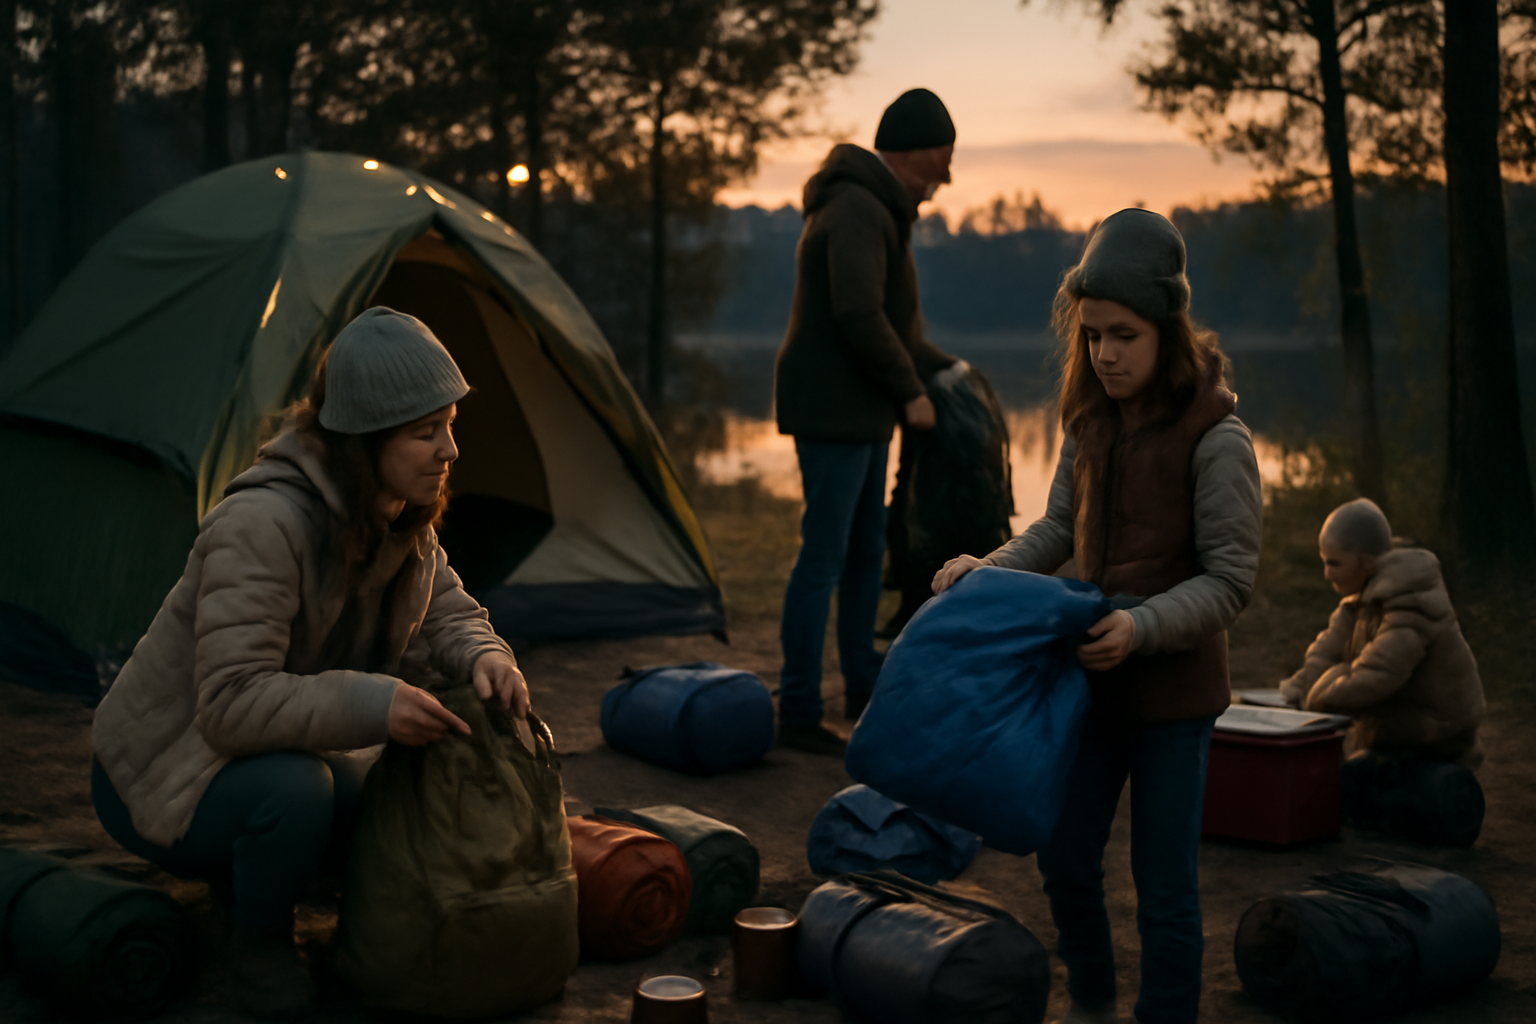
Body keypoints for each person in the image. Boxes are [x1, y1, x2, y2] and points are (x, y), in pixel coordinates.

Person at [89, 307, 530, 1016]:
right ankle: (256, 948)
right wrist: (376, 702)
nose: (449, 450)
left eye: (449, 424)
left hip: (253, 756)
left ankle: (255, 877)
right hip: (160, 772)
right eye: (425, 432)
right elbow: (230, 703)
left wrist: (488, 657)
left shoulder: (394, 514)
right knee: (299, 794)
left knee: (385, 797)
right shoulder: (263, 524)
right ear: (364, 440)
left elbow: (450, 612)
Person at [932, 209, 1263, 1024]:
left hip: (1174, 703)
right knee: (1068, 859)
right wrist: (985, 571)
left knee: (1166, 891)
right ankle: (1090, 998)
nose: (1104, 354)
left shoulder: (1217, 438)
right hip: (1091, 693)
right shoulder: (1089, 422)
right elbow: (1054, 532)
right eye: (1092, 336)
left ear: (1166, 329)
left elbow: (1230, 581)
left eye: (1123, 336)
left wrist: (1143, 627)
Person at [773, 87, 959, 754]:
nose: (947, 175)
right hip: (834, 410)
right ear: (911, 153)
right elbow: (857, 312)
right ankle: (797, 706)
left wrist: (947, 369)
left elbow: (895, 323)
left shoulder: (876, 205)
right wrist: (911, 391)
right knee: (824, 558)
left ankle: (861, 682)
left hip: (860, 410)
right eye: (942, 158)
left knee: (862, 554)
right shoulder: (855, 206)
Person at [1279, 498, 1485, 768]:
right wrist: (1293, 693)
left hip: (1437, 746)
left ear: (1365, 563)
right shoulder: (1359, 603)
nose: (1327, 574)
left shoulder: (1411, 602)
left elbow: (1377, 675)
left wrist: (1316, 699)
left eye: (1335, 564)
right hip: (1397, 739)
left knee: (1342, 786)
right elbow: (1325, 653)